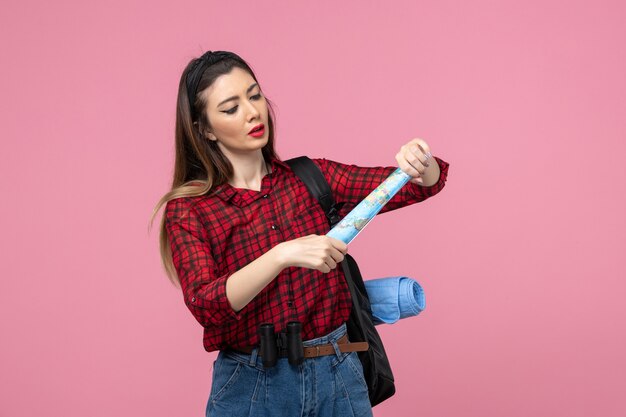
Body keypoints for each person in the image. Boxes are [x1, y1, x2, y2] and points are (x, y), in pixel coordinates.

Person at [151, 50, 450, 417]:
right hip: (252, 386)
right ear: (206, 129)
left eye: (255, 95)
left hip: (338, 374)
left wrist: (420, 162)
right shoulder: (191, 209)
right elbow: (206, 304)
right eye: (230, 108)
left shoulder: (311, 179)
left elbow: (416, 186)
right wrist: (281, 255)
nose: (252, 112)